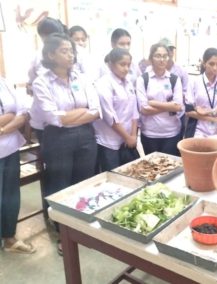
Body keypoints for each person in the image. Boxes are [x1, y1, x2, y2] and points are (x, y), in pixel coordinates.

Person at [31, 33, 101, 254]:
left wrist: (72, 115)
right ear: (51, 54)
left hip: (86, 137)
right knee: (60, 186)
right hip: (57, 139)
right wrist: (81, 112)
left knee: (83, 184)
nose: (70, 54)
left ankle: (81, 229)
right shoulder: (42, 81)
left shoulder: (82, 78)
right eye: (64, 50)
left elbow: (97, 111)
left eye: (72, 50)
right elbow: (54, 118)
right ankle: (63, 234)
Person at [1, 78, 36, 254]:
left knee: (10, 196)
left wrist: (3, 128)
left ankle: (9, 237)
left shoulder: (4, 82)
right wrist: (9, 116)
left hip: (9, 148)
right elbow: (12, 113)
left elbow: (22, 112)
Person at [94, 48, 140, 171]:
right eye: (122, 64)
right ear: (111, 64)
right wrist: (127, 137)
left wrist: (133, 135)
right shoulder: (103, 84)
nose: (126, 68)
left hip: (128, 140)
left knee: (132, 174)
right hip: (109, 141)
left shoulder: (128, 82)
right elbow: (110, 117)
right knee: (113, 177)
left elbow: (134, 111)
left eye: (128, 65)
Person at [136, 43, 183, 156]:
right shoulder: (143, 79)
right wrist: (169, 106)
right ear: (151, 58)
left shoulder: (174, 79)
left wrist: (153, 103)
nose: (162, 59)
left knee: (171, 169)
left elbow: (178, 106)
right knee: (152, 170)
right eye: (158, 56)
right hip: (149, 133)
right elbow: (144, 109)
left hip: (172, 133)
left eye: (165, 56)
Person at [184, 48, 217, 137]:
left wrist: (209, 111)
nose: (215, 68)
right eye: (211, 64)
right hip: (197, 130)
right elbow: (188, 111)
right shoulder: (194, 82)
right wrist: (213, 119)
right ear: (204, 63)